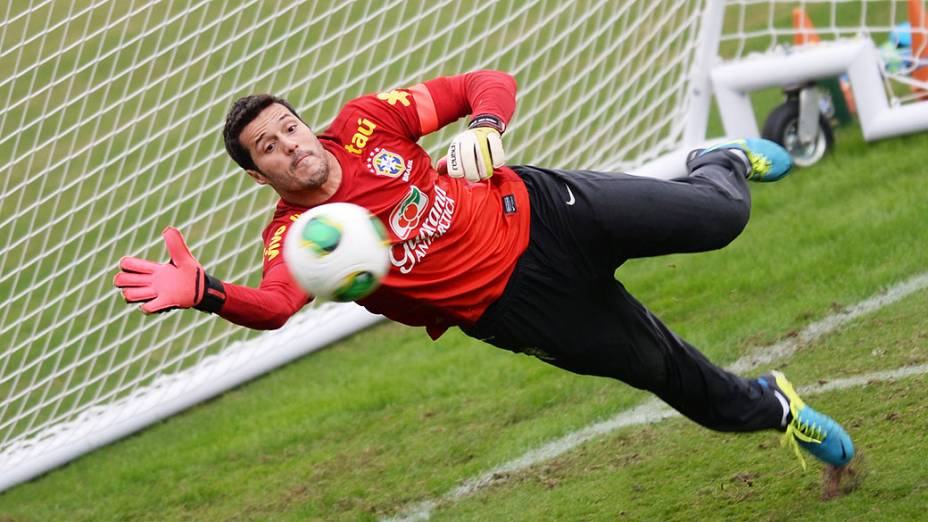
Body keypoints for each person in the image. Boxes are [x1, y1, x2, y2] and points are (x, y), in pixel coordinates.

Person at [113, 70, 854, 474]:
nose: (288, 146)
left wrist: (486, 130)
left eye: (288, 128)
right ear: (257, 175)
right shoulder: (295, 240)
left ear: (306, 123)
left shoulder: (371, 121)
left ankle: (718, 162)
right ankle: (778, 411)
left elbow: (484, 83)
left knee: (719, 219)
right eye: (267, 149)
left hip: (551, 209)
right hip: (519, 309)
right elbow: (275, 304)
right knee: (662, 369)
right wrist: (207, 294)